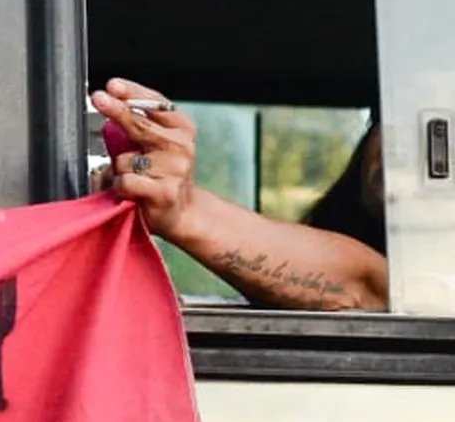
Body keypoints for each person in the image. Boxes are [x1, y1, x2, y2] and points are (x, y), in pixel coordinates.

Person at [91, 77, 388, 311]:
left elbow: (364, 283)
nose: (402, 146)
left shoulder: (420, 285)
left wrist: (183, 209)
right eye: (388, 115)